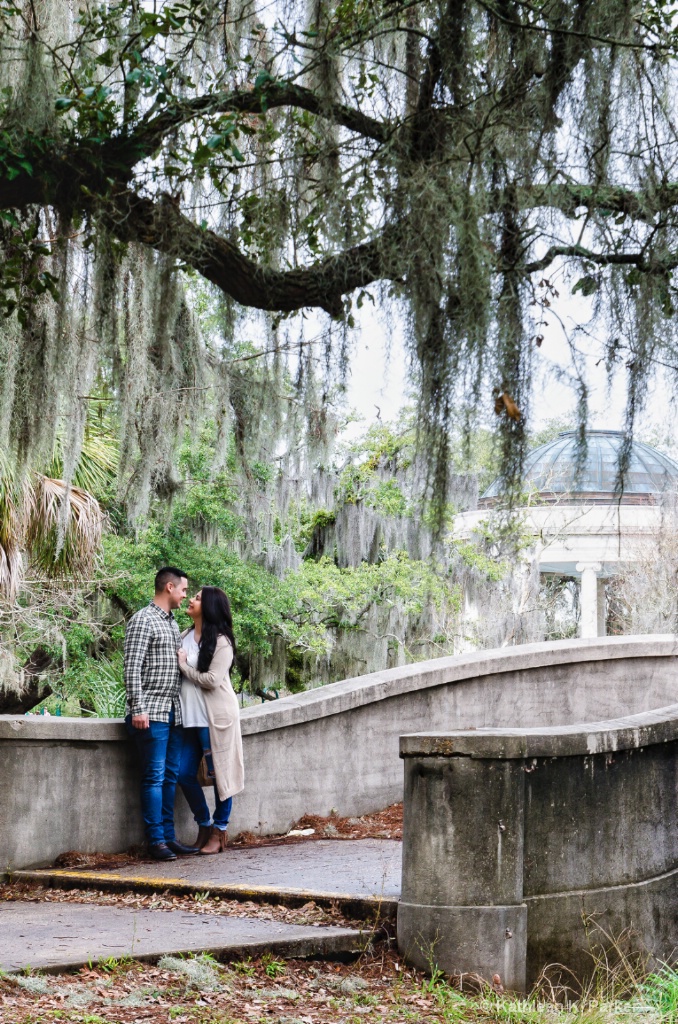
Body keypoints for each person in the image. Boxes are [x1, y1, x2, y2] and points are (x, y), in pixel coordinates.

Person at [124, 566, 200, 861]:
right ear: (169, 587)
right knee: (154, 777)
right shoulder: (143, 620)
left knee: (169, 777)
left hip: (174, 712)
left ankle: (169, 837)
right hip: (150, 713)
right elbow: (131, 668)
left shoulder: (170, 623)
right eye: (183, 589)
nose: (185, 595)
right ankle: (156, 841)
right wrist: (138, 708)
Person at [177, 586, 244, 854]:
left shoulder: (221, 642)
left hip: (215, 719)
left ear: (210, 607)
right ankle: (204, 823)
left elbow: (212, 681)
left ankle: (219, 831)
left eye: (197, 598)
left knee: (220, 778)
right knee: (183, 772)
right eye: (191, 596)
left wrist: (184, 667)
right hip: (189, 719)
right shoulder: (183, 637)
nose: (191, 600)